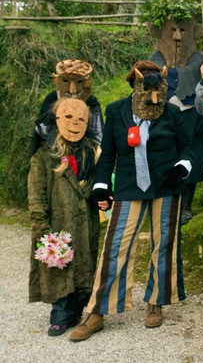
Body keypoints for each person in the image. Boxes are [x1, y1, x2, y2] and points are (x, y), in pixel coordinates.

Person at [70, 61, 194, 342]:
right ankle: (97, 311)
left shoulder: (171, 111)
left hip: (167, 185)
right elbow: (109, 153)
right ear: (134, 86)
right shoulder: (116, 111)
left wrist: (182, 167)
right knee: (115, 245)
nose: (152, 96)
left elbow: (187, 147)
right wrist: (102, 187)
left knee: (164, 244)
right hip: (128, 185)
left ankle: (156, 301)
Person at [28, 98, 101, 337]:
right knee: (58, 265)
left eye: (80, 119)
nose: (74, 123)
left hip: (84, 222)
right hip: (57, 222)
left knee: (83, 262)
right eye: (68, 117)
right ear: (57, 120)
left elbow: (99, 185)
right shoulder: (44, 156)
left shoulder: (91, 152)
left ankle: (79, 307)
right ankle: (60, 312)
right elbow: (36, 195)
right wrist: (41, 226)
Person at [147, 9, 203, 225]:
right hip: (165, 114)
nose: (177, 37)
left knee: (190, 156)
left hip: (191, 113)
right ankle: (166, 204)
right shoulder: (154, 59)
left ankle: (185, 205)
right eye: (172, 30)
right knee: (166, 157)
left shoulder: (199, 59)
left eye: (183, 30)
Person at [32, 59, 102, 154]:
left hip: (82, 152)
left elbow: (98, 135)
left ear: (86, 83)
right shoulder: (52, 99)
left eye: (79, 81)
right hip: (54, 151)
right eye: (66, 81)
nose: (72, 89)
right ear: (57, 81)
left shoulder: (91, 102)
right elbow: (40, 128)